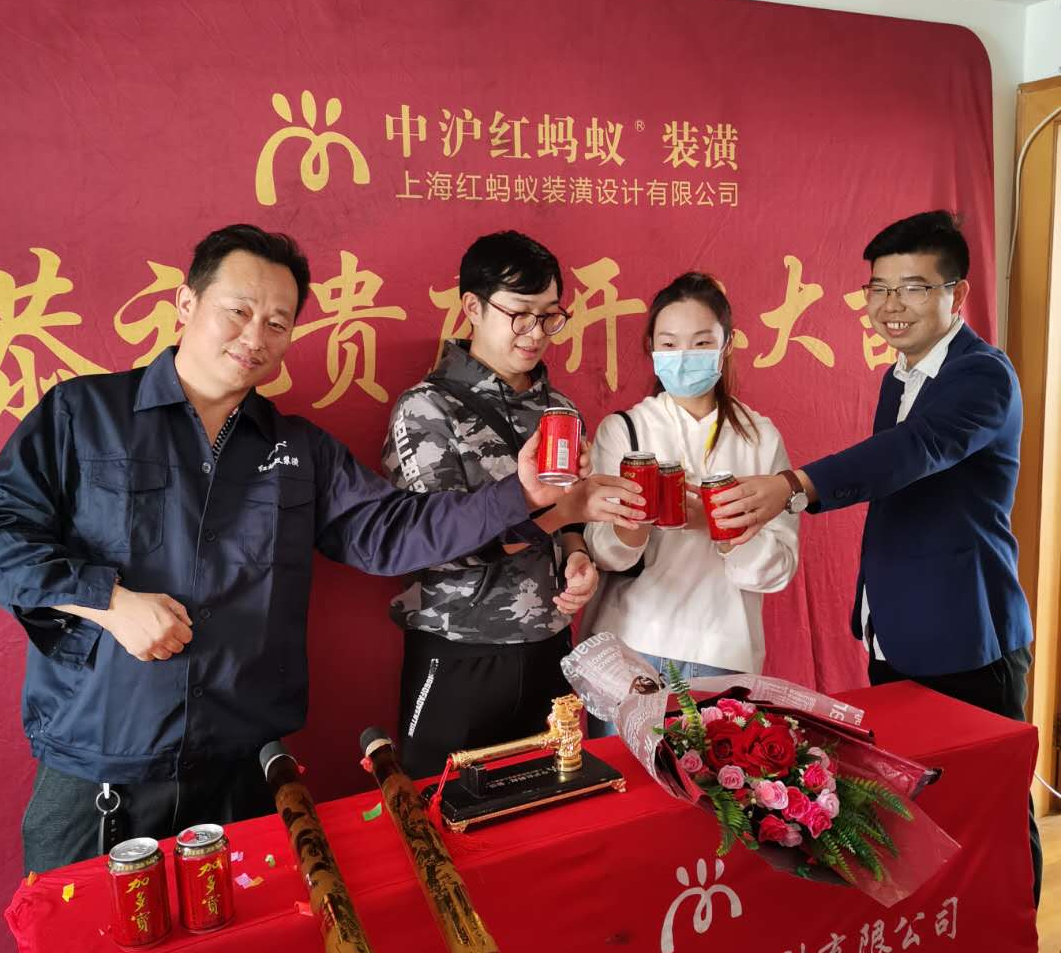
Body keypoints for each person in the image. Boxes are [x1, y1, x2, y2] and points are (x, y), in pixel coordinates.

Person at [0, 222, 587, 953]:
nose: (255, 337)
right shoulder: (84, 416)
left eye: (277, 322)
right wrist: (105, 600)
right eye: (238, 311)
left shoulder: (295, 452)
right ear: (185, 305)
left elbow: (392, 531)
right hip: (100, 779)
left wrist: (516, 493)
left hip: (241, 780)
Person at [711, 210, 1041, 902]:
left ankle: (1012, 941)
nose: (892, 306)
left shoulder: (982, 375)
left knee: (993, 808)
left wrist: (794, 485)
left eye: (913, 288)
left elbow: (914, 451)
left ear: (957, 293)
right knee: (918, 807)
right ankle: (941, 938)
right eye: (879, 288)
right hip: (895, 626)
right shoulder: (903, 373)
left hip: (966, 635)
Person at [382, 230, 643, 777]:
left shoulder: (560, 409)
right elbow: (441, 547)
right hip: (459, 649)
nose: (537, 333)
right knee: (441, 802)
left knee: (552, 799)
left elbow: (569, 515)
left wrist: (576, 554)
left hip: (549, 646)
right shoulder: (427, 410)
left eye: (549, 317)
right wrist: (567, 513)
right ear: (472, 308)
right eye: (520, 315)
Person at [583, 271, 799, 734]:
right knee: (623, 778)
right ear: (651, 347)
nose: (683, 357)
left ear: (728, 343)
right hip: (632, 646)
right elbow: (605, 553)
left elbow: (778, 569)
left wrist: (713, 522)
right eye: (669, 343)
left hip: (724, 652)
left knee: (717, 779)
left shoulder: (760, 437)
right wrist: (637, 520)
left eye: (701, 343)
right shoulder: (624, 430)